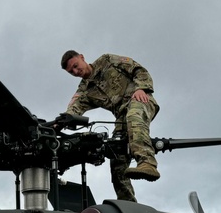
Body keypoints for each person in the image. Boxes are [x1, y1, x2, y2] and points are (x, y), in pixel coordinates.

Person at [59, 50, 160, 202]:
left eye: (75, 65)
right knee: (116, 154)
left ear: (82, 57)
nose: (75, 71)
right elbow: (74, 109)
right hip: (122, 118)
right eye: (71, 71)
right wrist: (58, 124)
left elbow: (137, 69)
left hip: (140, 100)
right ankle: (127, 203)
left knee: (134, 118)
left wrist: (141, 88)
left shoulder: (107, 61)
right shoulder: (85, 90)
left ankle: (147, 163)